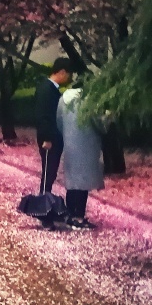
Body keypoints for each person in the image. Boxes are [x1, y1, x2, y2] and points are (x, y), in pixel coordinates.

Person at [56, 83, 107, 230]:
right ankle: (79, 217)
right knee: (83, 182)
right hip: (87, 143)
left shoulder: (63, 99)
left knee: (72, 182)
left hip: (70, 143)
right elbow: (99, 123)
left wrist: (66, 134)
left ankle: (71, 214)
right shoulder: (90, 100)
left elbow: (59, 121)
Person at [35, 58, 74, 228]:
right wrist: (47, 138)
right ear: (62, 72)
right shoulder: (47, 90)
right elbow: (44, 117)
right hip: (49, 139)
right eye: (68, 74)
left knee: (49, 174)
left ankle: (46, 211)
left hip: (52, 138)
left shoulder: (49, 89)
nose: (68, 78)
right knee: (47, 176)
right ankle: (44, 214)